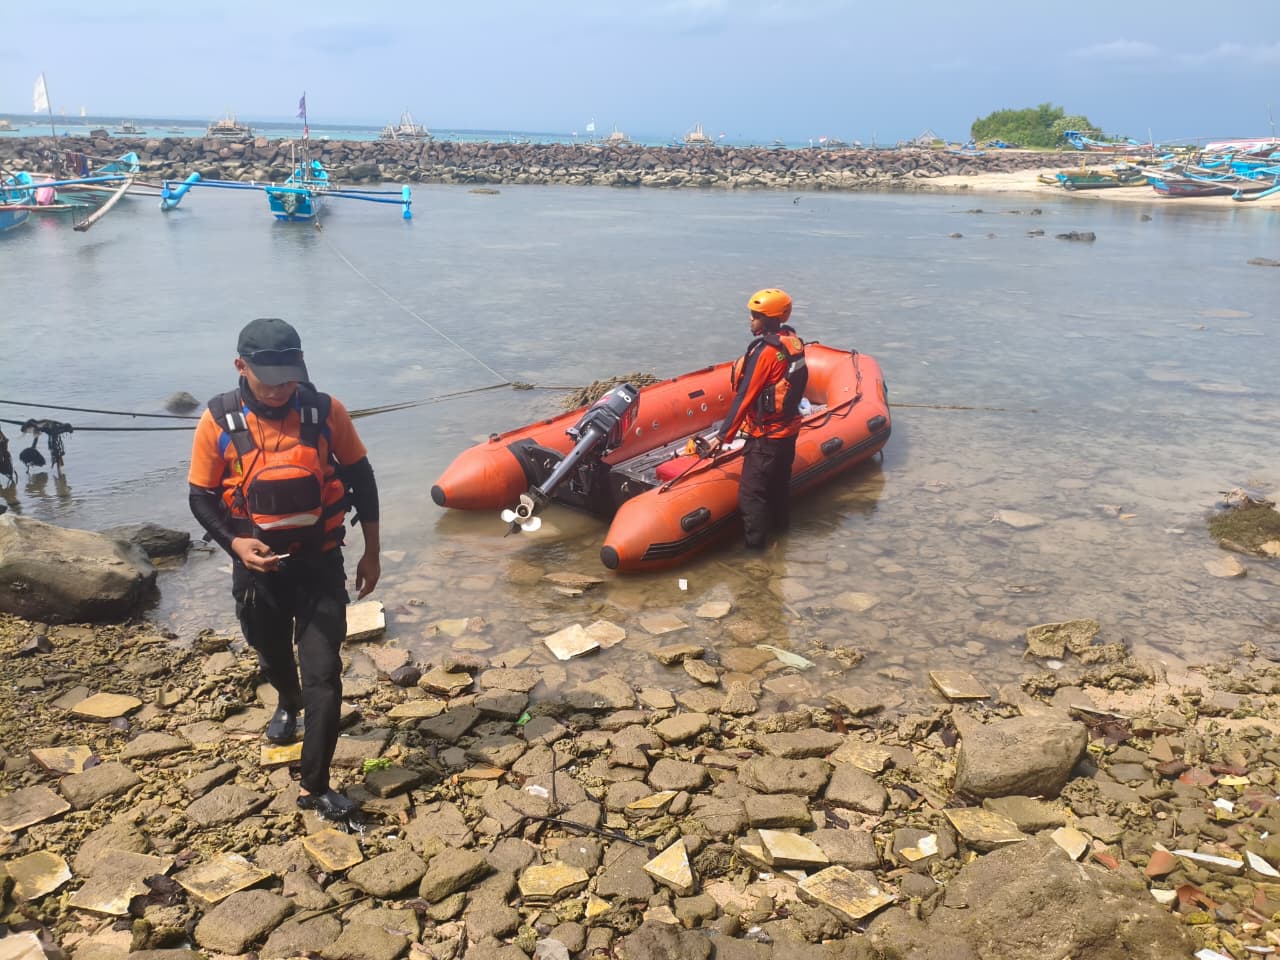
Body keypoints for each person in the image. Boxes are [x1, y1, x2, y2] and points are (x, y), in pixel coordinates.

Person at [188, 318, 380, 821]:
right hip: (258, 572)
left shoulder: (325, 411)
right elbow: (200, 496)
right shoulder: (217, 420)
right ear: (240, 366)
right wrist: (234, 544)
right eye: (267, 379)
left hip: (319, 565)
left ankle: (315, 785)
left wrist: (372, 552)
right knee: (271, 655)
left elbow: (362, 478)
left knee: (326, 675)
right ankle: (287, 701)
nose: (278, 390)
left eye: (288, 378)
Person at [704, 289, 808, 550]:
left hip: (767, 438)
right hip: (788, 431)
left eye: (755, 316)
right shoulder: (791, 341)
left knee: (751, 496)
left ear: (771, 319)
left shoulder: (766, 352)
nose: (750, 320)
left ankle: (756, 554)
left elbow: (745, 396)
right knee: (779, 487)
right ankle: (781, 539)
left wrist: (722, 436)